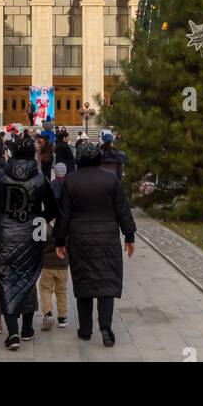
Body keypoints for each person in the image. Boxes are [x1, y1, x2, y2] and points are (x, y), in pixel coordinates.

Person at [55, 137, 135, 347]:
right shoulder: (111, 180)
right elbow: (122, 209)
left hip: (80, 238)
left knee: (84, 282)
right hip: (107, 237)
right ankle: (105, 325)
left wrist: (59, 240)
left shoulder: (71, 181)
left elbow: (64, 214)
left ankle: (85, 329)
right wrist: (129, 235)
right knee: (106, 282)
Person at [0, 135, 58, 351]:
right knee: (28, 277)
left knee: (5, 281)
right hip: (32, 233)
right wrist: (38, 219)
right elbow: (53, 208)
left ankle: (13, 332)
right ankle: (27, 328)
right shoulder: (40, 179)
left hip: (4, 233)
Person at [39, 162, 70, 331]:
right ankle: (63, 317)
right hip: (63, 264)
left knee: (45, 289)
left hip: (47, 264)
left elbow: (38, 241)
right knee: (62, 291)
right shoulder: (67, 225)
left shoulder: (44, 224)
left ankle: (47, 312)